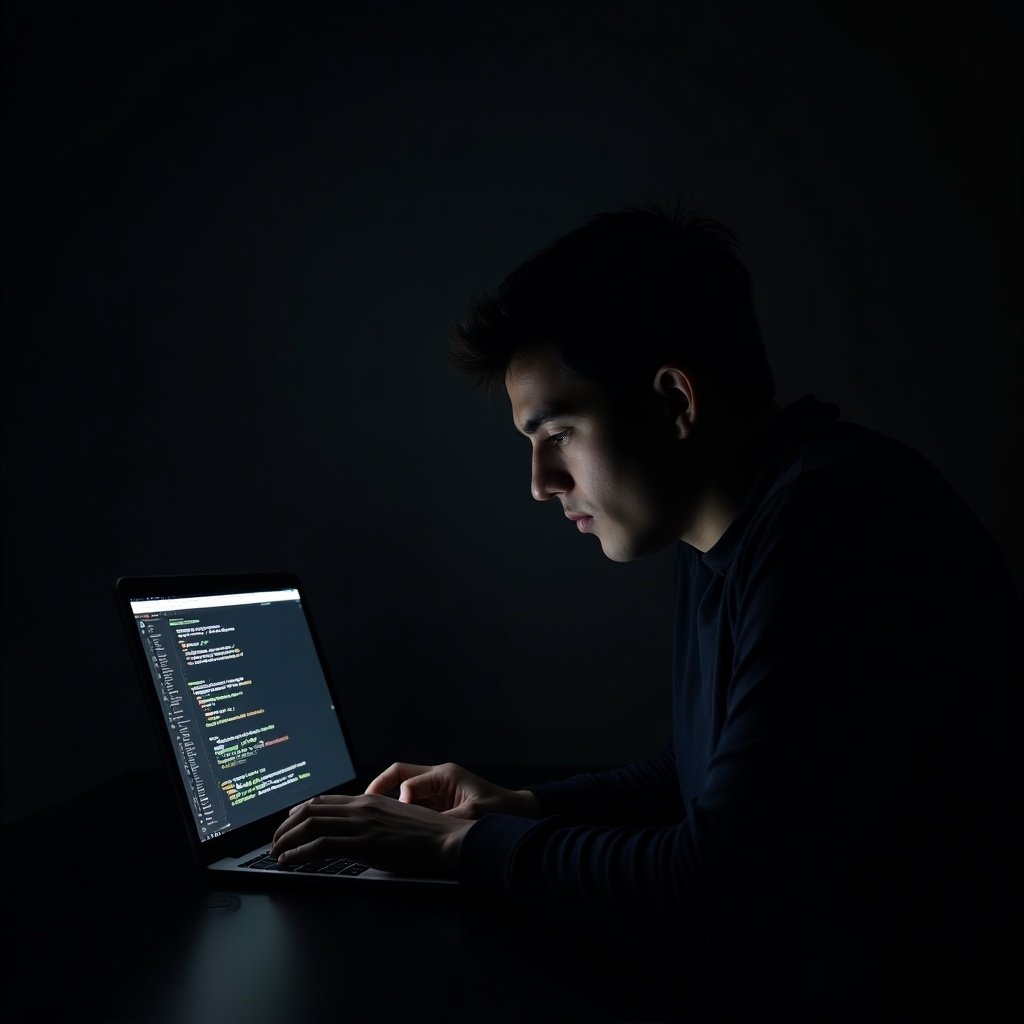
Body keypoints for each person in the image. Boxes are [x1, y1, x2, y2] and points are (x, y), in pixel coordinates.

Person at [271, 203, 1022, 1020]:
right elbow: (704, 777)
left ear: (673, 402)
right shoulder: (733, 523)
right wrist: (520, 808)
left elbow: (719, 893)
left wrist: (467, 847)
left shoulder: (834, 524)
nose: (540, 482)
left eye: (556, 431)